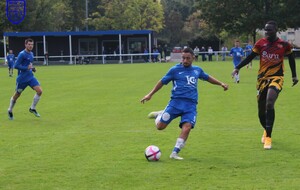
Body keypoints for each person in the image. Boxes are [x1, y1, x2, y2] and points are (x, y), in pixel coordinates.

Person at [141, 47, 229, 160]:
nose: (185, 60)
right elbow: (162, 82)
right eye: (183, 58)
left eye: (188, 58)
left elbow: (207, 78)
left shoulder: (197, 70)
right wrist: (150, 94)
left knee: (187, 127)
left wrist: (221, 83)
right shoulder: (174, 70)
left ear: (193, 58)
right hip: (175, 103)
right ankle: (160, 115)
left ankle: (174, 153)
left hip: (190, 105)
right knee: (160, 127)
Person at [232, 21, 298, 150]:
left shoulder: (284, 45)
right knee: (261, 111)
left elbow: (291, 58)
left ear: (276, 30)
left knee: (269, 103)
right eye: (266, 30)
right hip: (262, 79)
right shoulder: (260, 43)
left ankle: (268, 137)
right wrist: (237, 68)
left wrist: (294, 75)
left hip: (277, 77)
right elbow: (250, 57)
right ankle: (265, 130)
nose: (267, 32)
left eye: (270, 30)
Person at [7, 38, 43, 120]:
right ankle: (10, 109)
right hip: (22, 79)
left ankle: (32, 108)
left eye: (32, 44)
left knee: (39, 91)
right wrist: (26, 68)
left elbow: (29, 65)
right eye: (29, 44)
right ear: (25, 45)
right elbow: (16, 66)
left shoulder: (31, 54)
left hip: (30, 77)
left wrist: (32, 68)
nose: (31, 46)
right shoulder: (22, 54)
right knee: (17, 95)